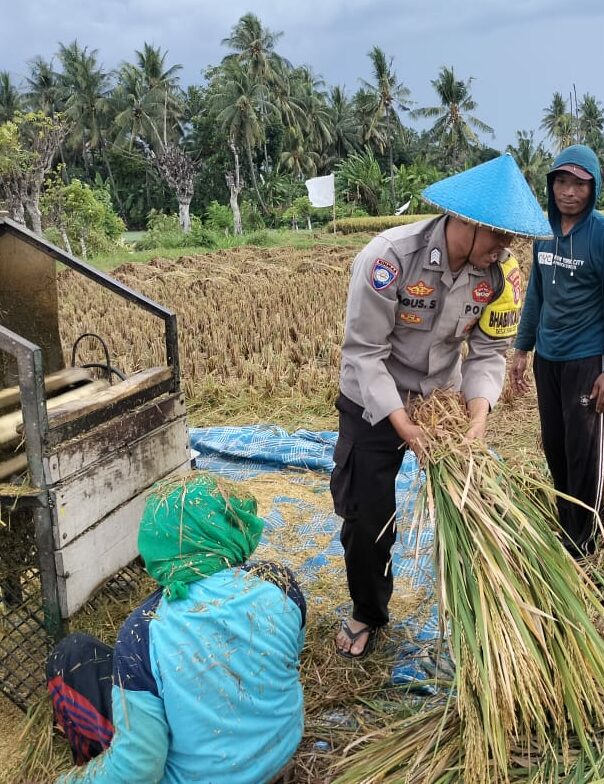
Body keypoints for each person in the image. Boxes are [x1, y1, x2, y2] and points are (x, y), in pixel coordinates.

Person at [332, 155, 551, 658]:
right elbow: (364, 353)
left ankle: (481, 618)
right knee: (368, 517)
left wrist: (477, 416)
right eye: (499, 236)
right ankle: (368, 611)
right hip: (374, 399)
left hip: (441, 400)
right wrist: (402, 424)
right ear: (468, 224)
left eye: (511, 241)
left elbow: (490, 352)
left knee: (474, 506)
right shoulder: (389, 259)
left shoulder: (500, 275)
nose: (505, 249)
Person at [46, 473, 306, 784]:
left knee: (71, 654)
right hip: (280, 753)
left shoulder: (143, 632)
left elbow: (138, 769)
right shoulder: (280, 583)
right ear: (234, 529)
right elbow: (287, 660)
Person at [510, 144, 604, 557]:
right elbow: (535, 294)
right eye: (561, 182)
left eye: (579, 184)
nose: (569, 192)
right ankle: (568, 525)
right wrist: (522, 349)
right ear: (551, 186)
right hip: (549, 358)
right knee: (555, 444)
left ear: (593, 187)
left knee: (585, 449)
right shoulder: (543, 235)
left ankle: (587, 539)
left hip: (587, 360)